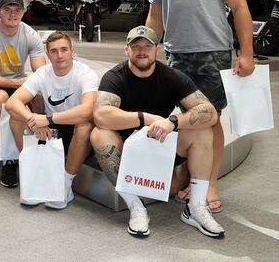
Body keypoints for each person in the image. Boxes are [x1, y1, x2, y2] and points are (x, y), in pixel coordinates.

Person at [146, 0, 255, 213]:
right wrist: (148, 46)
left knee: (211, 118)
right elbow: (155, 16)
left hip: (213, 53)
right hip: (176, 55)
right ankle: (192, 176)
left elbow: (240, 7)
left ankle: (210, 185)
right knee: (187, 119)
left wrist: (246, 52)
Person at [92, 25, 224, 239]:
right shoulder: (114, 76)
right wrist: (145, 118)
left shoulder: (172, 76)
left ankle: (196, 207)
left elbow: (209, 112)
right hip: (127, 152)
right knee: (99, 135)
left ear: (158, 50)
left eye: (147, 46)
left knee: (203, 130)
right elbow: (100, 115)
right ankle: (136, 207)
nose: (141, 51)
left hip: (160, 144)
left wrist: (173, 121)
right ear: (126, 50)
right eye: (136, 46)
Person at [5, 31, 97, 209]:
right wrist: (32, 119)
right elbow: (12, 103)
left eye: (64, 50)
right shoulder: (42, 73)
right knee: (16, 118)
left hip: (74, 127)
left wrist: (47, 119)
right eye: (54, 51)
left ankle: (65, 185)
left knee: (85, 125)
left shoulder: (85, 73)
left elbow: (86, 110)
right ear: (48, 55)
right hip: (52, 129)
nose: (59, 55)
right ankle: (35, 178)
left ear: (72, 51)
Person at [0, 0, 47, 188]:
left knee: (38, 96)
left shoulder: (30, 34)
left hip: (19, 82)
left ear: (23, 12)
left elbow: (41, 71)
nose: (12, 14)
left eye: (17, 10)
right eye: (7, 10)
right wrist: (17, 84)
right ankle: (8, 159)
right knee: (0, 98)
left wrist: (28, 86)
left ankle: (38, 147)